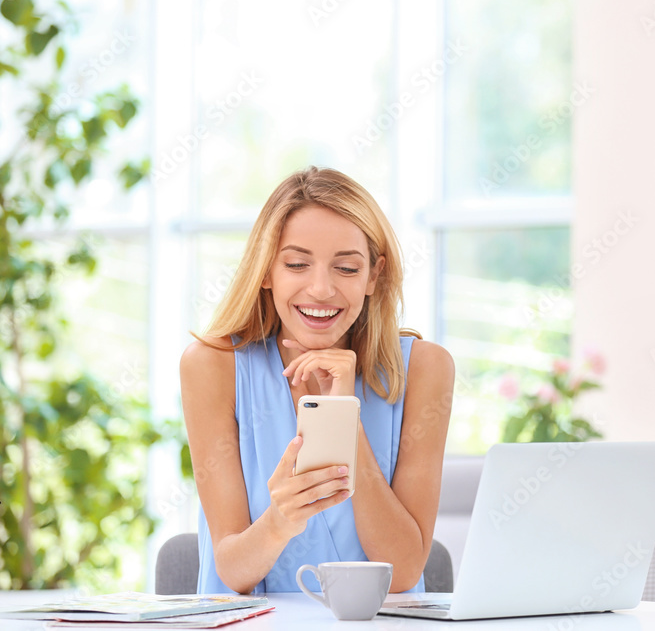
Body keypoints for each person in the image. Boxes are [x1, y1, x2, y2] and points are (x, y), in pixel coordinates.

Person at [180, 167, 454, 595]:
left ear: (373, 276)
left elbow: (402, 572)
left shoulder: (424, 369)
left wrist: (344, 418)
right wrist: (278, 522)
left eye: (346, 268)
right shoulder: (214, 365)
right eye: (296, 264)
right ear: (266, 271)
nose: (322, 289)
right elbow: (233, 571)